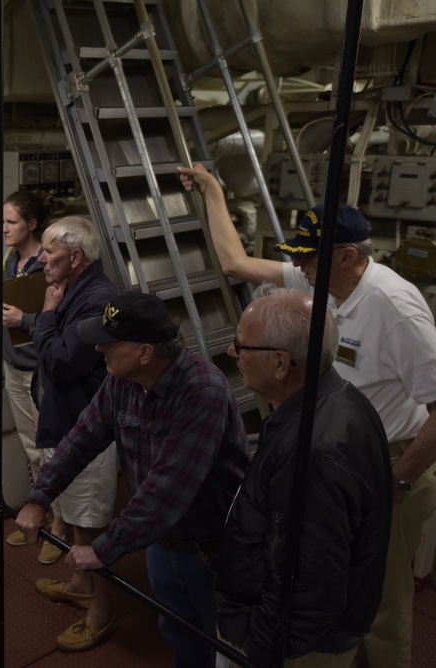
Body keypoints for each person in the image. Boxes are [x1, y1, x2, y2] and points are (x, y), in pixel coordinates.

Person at [179, 163, 436, 667]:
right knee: (333, 588)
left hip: (387, 462)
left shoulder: (395, 307)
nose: (301, 268)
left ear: (347, 256)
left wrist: (397, 483)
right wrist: (212, 189)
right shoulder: (324, 279)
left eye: (310, 258)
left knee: (379, 601)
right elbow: (235, 263)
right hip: (329, 457)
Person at [18, 291, 250, 666]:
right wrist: (39, 497)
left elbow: (167, 490)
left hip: (212, 553)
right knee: (178, 631)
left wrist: (103, 548)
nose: (97, 348)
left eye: (109, 342)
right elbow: (81, 438)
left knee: (221, 647)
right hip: (163, 543)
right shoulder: (123, 380)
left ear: (145, 352)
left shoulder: (201, 392)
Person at [217, 286, 392, 667]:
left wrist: (260, 647)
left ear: (281, 363)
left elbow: (311, 582)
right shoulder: (340, 400)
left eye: (242, 345)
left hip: (296, 649)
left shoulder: (312, 448)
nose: (233, 353)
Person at [24, 216, 121, 651]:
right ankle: (82, 586)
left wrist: (45, 314)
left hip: (87, 431)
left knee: (89, 529)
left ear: (76, 257)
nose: (43, 260)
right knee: (77, 517)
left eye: (51, 253)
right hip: (68, 423)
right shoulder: (77, 290)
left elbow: (62, 364)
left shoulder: (96, 300)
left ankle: (101, 615)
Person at [0, 189, 63, 563]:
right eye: (2, 221)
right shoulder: (13, 262)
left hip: (36, 370)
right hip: (14, 364)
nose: (4, 228)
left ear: (31, 224)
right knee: (31, 449)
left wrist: (24, 320)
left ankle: (60, 526)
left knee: (48, 450)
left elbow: (52, 320)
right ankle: (41, 513)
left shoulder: (46, 268)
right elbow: (6, 313)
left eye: (11, 222)